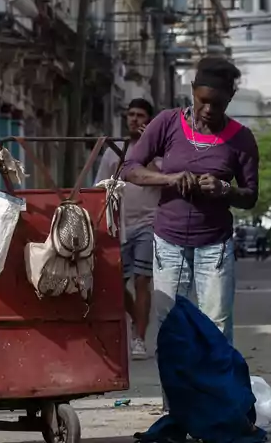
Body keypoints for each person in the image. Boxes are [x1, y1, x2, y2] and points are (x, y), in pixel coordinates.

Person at [121, 56, 259, 344]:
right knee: (172, 327)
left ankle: (216, 390)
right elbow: (130, 169)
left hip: (215, 246)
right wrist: (170, 179)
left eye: (217, 104)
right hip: (169, 243)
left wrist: (224, 189)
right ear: (193, 90)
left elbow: (250, 196)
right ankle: (176, 391)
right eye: (202, 101)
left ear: (230, 98)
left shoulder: (241, 139)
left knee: (216, 327)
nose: (208, 110)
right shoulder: (167, 123)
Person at [95, 97, 160, 360]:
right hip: (119, 225)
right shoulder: (115, 151)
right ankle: (137, 318)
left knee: (142, 281)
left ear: (149, 121)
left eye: (140, 115)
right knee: (115, 284)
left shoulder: (159, 151)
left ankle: (139, 338)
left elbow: (163, 178)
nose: (134, 119)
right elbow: (100, 185)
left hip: (149, 223)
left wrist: (149, 148)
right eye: (131, 115)